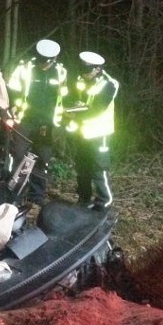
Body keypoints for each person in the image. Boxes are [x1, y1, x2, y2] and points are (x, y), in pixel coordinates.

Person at [6, 39, 68, 204]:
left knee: (42, 158)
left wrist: (62, 121)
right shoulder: (25, 68)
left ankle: (37, 195)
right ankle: (15, 195)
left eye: (47, 62)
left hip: (48, 123)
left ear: (54, 59)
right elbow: (12, 88)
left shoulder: (61, 72)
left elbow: (65, 96)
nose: (44, 65)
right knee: (19, 156)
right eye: (41, 61)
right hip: (25, 120)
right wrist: (12, 105)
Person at [66, 51, 119, 210]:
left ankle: (104, 200)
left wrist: (74, 115)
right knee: (82, 167)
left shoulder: (109, 84)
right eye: (82, 70)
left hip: (99, 133)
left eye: (88, 70)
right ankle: (84, 198)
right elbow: (76, 99)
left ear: (97, 69)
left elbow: (97, 109)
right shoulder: (82, 80)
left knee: (99, 168)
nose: (84, 74)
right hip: (82, 132)